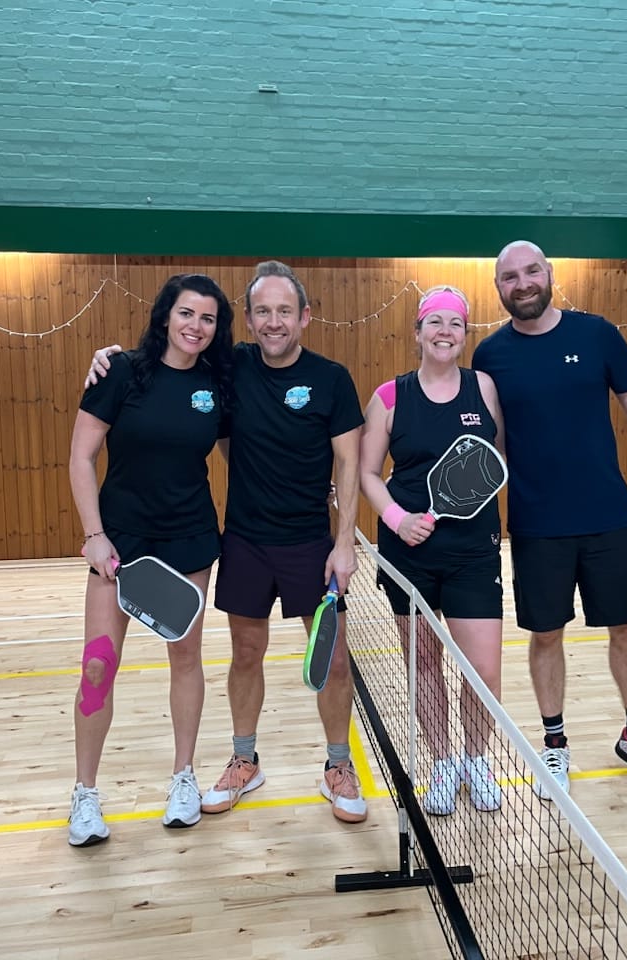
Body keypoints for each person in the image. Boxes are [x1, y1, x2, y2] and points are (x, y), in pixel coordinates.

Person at [86, 261, 368, 824]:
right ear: (250, 319)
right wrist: (108, 358)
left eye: (284, 311)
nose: (273, 322)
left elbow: (350, 463)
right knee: (245, 653)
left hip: (311, 542)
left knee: (334, 660)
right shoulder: (229, 368)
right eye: (262, 311)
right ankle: (245, 760)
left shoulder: (332, 379)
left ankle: (338, 765)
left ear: (305, 317)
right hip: (244, 540)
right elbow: (171, 371)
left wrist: (344, 544)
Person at [471, 241, 627, 799]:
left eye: (531, 272)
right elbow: (492, 445)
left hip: (608, 518)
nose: (522, 283)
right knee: (546, 635)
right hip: (536, 526)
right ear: (498, 288)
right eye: (509, 277)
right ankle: (554, 745)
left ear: (549, 274)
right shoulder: (489, 356)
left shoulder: (597, 335)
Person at [67, 273, 236, 847]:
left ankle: (183, 777)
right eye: (187, 313)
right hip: (119, 543)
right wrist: (94, 535)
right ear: (165, 315)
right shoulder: (119, 371)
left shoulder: (219, 382)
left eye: (208, 318)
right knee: (97, 664)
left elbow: (242, 452)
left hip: (188, 541)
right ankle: (85, 793)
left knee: (185, 660)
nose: (196, 326)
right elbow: (81, 456)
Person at [358, 285, 506, 815]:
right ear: (418, 332)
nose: (445, 332)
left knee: (483, 669)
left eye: (455, 323)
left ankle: (476, 760)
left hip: (474, 551)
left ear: (465, 334)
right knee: (423, 664)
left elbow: (495, 460)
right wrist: (397, 520)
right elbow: (367, 473)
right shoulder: (389, 397)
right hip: (409, 553)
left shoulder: (483, 387)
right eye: (435, 322)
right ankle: (443, 762)